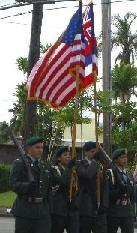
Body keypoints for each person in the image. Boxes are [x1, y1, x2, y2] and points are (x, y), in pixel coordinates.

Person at [10, 136, 52, 233]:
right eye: (37, 147)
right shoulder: (20, 163)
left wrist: (49, 210)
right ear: (29, 149)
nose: (40, 150)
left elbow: (48, 189)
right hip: (25, 210)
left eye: (42, 147)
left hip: (42, 211)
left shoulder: (43, 165)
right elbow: (13, 184)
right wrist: (27, 186)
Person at [76, 141, 110, 233]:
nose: (94, 154)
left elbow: (106, 186)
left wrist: (105, 204)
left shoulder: (101, 165)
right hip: (86, 207)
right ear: (85, 152)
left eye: (96, 152)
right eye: (92, 152)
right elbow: (87, 175)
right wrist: (94, 162)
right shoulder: (80, 164)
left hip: (100, 209)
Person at [51, 146, 80, 233]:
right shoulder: (54, 169)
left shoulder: (74, 170)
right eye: (65, 155)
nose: (68, 156)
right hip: (59, 210)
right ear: (59, 158)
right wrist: (69, 168)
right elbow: (63, 182)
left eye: (69, 155)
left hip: (72, 210)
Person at [107, 148, 134, 233]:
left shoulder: (128, 173)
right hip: (114, 210)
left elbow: (132, 193)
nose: (125, 159)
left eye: (126, 157)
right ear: (116, 160)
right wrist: (121, 190)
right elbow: (109, 193)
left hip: (127, 211)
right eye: (122, 157)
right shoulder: (110, 173)